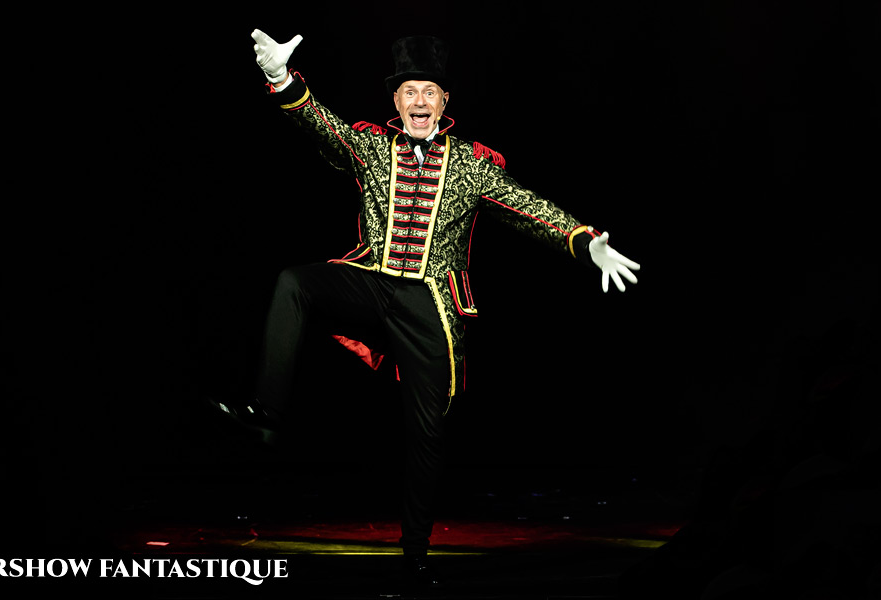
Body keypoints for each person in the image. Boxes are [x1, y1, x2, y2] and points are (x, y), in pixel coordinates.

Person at [212, 29, 641, 586]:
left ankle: (415, 555)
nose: (419, 101)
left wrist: (584, 242)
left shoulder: (470, 164)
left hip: (431, 306)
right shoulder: (372, 148)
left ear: (443, 102)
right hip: (373, 282)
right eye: (410, 92)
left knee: (427, 433)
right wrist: (280, 77)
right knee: (295, 282)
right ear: (396, 101)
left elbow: (529, 208)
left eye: (429, 92)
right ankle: (266, 413)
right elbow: (320, 124)